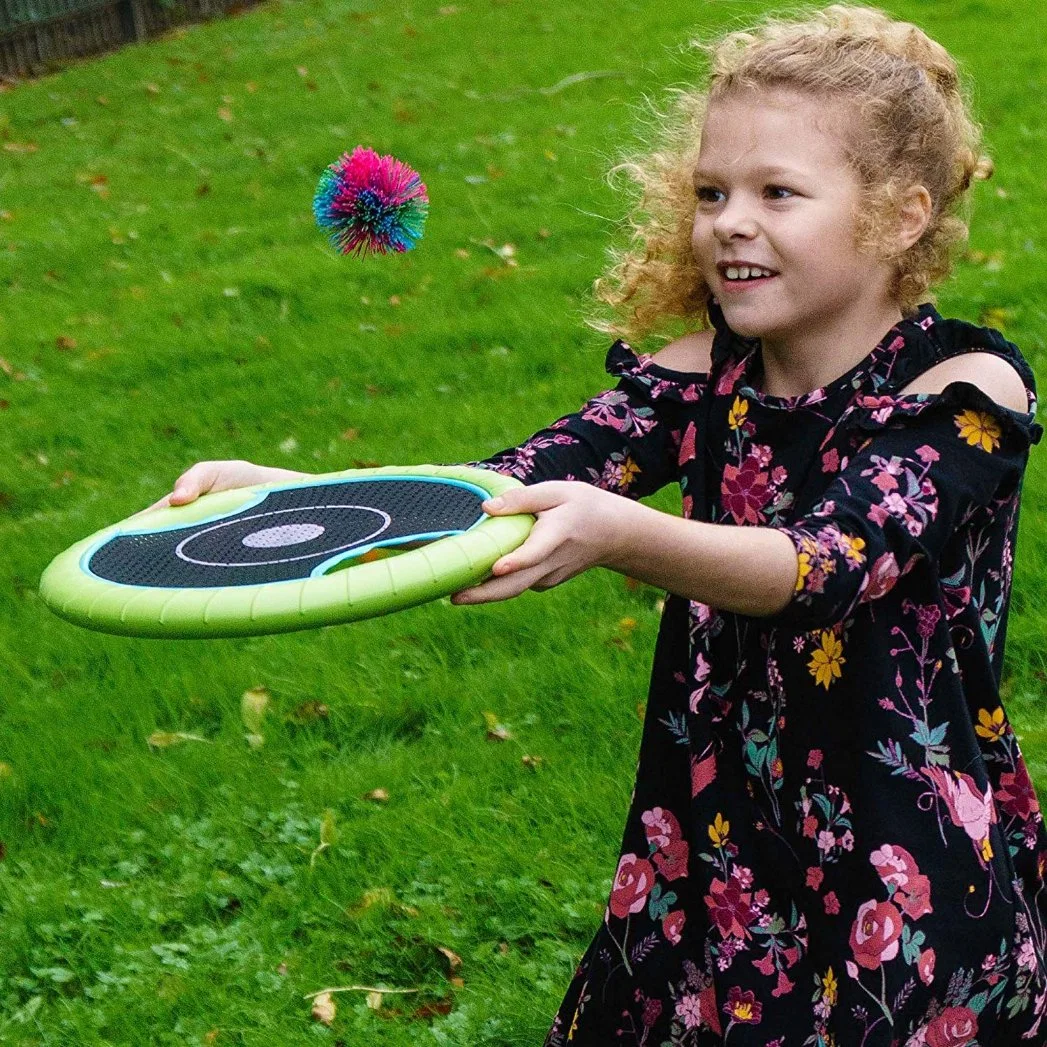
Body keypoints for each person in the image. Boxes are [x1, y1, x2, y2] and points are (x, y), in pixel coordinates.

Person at [155, 5, 1046, 1042]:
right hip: (714, 828)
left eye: (777, 193)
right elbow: (507, 485)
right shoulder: (699, 376)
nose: (729, 222)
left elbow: (823, 567)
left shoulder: (964, 390)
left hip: (899, 850)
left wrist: (623, 533)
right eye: (712, 191)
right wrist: (295, 495)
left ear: (900, 215)